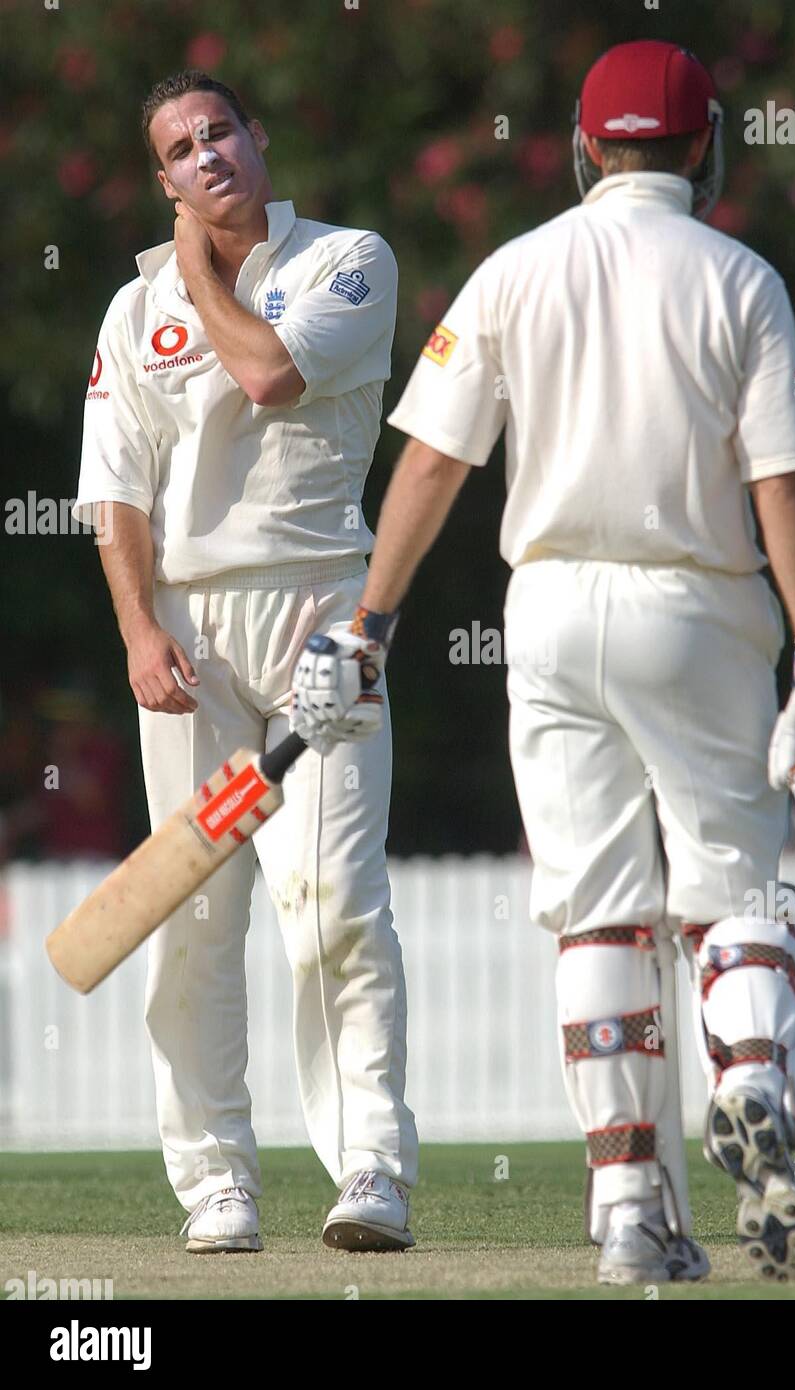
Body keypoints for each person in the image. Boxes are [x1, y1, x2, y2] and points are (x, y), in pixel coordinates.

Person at [292, 40, 795, 1285]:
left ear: (581, 144)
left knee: (594, 906)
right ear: (704, 148)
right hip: (700, 610)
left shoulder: (513, 270)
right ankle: (754, 1071)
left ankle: (626, 1209)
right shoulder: (742, 278)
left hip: (547, 612)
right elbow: (786, 479)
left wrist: (370, 626)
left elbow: (436, 462)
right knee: (730, 889)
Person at [73, 70, 417, 1254]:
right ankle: (216, 1180)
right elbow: (114, 490)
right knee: (194, 916)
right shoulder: (132, 313)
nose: (206, 153)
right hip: (194, 649)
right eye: (179, 147)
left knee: (331, 907)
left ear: (257, 137)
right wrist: (136, 631)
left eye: (219, 130)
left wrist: (195, 269)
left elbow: (269, 372)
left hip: (326, 625)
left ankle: (370, 1168)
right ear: (163, 177)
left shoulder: (346, 261)